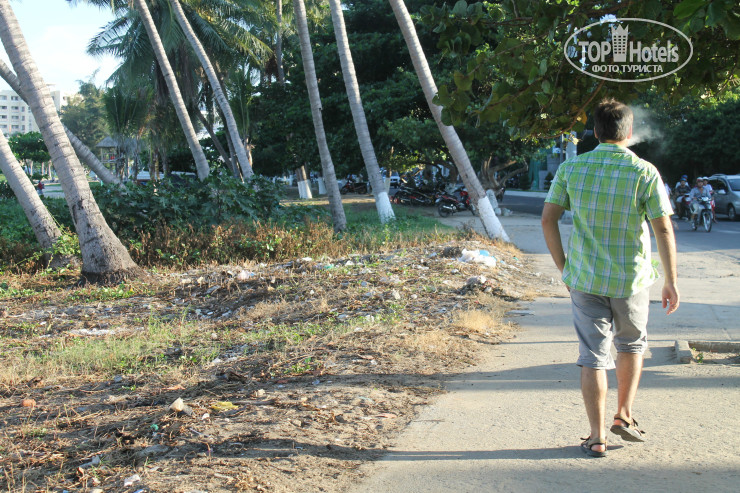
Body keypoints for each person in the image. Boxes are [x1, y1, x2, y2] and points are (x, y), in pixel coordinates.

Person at [541, 98, 679, 458]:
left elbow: (548, 219)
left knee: (593, 356)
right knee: (631, 346)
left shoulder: (572, 168)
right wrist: (670, 280)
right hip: (631, 280)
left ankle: (597, 436)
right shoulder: (644, 171)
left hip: (585, 279)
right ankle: (624, 415)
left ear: (595, 131)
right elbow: (663, 228)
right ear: (629, 132)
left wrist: (564, 267)